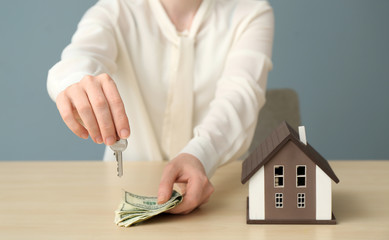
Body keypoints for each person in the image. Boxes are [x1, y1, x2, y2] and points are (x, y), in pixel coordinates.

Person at [47, 0, 274, 214]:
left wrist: (201, 154)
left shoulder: (250, 11)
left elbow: (240, 97)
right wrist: (74, 82)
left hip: (217, 195)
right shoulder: (115, 10)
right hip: (122, 187)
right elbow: (80, 56)